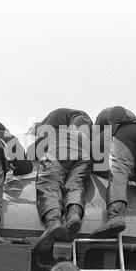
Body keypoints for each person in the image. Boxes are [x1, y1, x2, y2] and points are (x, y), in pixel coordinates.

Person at [91, 106, 136, 239]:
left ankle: (115, 216)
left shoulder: (108, 131)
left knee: (118, 174)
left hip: (125, 138)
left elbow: (96, 158)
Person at [31, 108, 93, 253]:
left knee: (49, 185)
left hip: (58, 151)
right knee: (76, 185)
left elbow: (34, 150)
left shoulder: (53, 127)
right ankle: (74, 214)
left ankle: (53, 222)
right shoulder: (86, 133)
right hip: (84, 155)